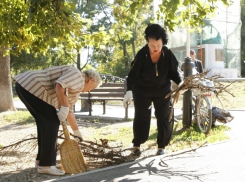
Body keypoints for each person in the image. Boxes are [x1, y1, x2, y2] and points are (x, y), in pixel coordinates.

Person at [13, 65, 102, 175]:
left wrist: (76, 132)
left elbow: (69, 110)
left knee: (44, 123)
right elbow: (60, 85)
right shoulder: (78, 76)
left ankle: (41, 160)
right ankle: (46, 165)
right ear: (91, 80)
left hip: (24, 86)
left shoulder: (76, 90)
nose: (89, 91)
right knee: (52, 122)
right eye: (92, 88)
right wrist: (64, 106)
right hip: (32, 85)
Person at [123, 24, 183, 156]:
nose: (155, 49)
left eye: (158, 45)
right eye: (152, 45)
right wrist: (129, 91)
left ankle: (161, 146)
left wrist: (181, 83)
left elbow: (174, 73)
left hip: (162, 90)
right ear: (147, 42)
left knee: (164, 116)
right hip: (142, 91)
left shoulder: (168, 54)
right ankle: (137, 144)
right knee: (141, 116)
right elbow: (132, 75)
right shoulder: (142, 54)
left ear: (163, 42)